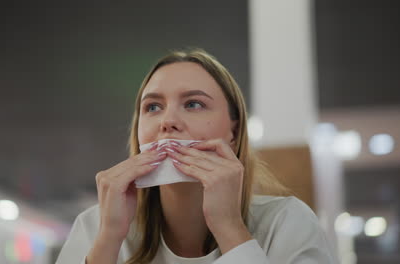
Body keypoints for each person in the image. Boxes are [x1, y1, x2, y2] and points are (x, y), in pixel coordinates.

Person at [56, 49, 338, 264]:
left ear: (234, 132)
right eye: (153, 107)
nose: (168, 121)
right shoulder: (96, 226)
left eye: (193, 104)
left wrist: (229, 226)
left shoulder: (287, 222)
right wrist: (109, 239)